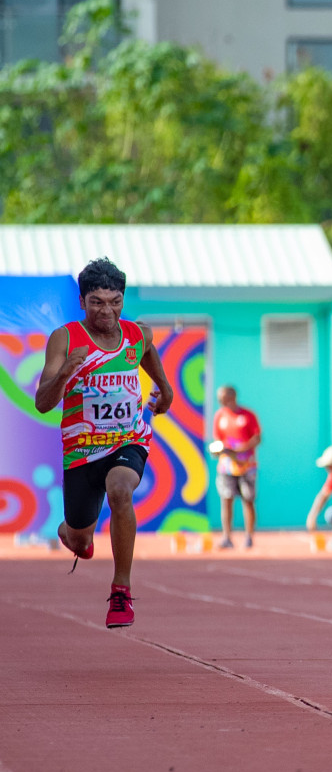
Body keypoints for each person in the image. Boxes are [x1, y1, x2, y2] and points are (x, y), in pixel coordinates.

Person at [32, 257, 174, 628]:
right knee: (80, 540)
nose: (107, 310)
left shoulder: (137, 333)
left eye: (115, 301)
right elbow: (43, 402)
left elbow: (147, 352)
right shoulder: (65, 339)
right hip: (80, 450)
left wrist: (167, 391)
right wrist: (66, 370)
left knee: (121, 490)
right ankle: (71, 532)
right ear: (82, 301)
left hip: (128, 439)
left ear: (123, 299)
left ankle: (121, 592)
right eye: (97, 302)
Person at [211, 384, 261, 549]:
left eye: (222, 397)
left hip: (247, 464)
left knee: (248, 499)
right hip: (226, 466)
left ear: (232, 397)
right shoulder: (219, 416)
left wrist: (239, 450)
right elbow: (217, 439)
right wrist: (218, 450)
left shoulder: (247, 415)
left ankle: (249, 536)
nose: (220, 400)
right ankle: (227, 537)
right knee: (226, 499)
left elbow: (257, 438)